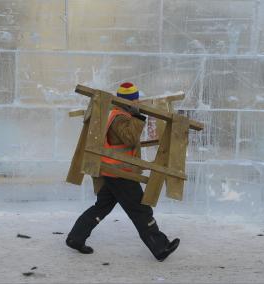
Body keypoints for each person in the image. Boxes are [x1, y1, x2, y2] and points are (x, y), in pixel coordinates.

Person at [66, 82, 180, 261]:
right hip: (120, 173)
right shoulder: (119, 117)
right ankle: (160, 247)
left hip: (115, 171)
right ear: (128, 101)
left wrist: (135, 116)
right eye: (136, 100)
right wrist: (137, 117)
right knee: (141, 210)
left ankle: (76, 238)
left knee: (101, 208)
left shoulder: (120, 114)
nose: (138, 102)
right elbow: (129, 138)